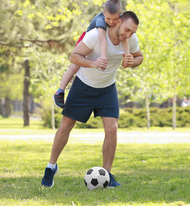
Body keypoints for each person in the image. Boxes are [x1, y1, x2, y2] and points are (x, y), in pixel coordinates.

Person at [41, 11, 143, 188]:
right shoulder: (95, 35)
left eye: (132, 32)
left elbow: (139, 57)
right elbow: (74, 56)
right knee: (66, 125)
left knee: (112, 129)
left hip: (107, 89)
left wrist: (132, 62)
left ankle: (107, 174)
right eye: (127, 29)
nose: (128, 35)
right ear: (117, 22)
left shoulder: (130, 40)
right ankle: (51, 167)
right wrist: (94, 63)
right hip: (83, 86)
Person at [54, 0, 131, 108]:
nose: (111, 22)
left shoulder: (121, 20)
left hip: (97, 46)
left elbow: (124, 38)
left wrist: (127, 55)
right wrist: (104, 57)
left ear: (119, 15)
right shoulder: (101, 20)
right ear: (104, 13)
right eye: (108, 18)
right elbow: (102, 39)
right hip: (86, 43)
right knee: (75, 66)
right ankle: (59, 92)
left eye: (114, 19)